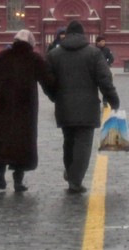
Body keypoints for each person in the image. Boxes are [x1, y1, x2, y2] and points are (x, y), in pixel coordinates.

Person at [43, 20, 118, 194]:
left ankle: (71, 173)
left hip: (64, 106)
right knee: (83, 144)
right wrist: (113, 99)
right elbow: (104, 79)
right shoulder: (93, 53)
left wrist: (54, 96)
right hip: (88, 107)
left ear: (66, 34)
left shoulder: (54, 54)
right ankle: (75, 181)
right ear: (83, 34)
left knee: (68, 141)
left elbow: (46, 80)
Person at [0, 28, 52, 192]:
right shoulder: (34, 58)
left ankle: (0, 170)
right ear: (31, 43)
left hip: (2, 106)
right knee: (22, 143)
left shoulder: (2, 56)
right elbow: (47, 81)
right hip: (25, 109)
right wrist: (57, 95)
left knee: (2, 139)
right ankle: (18, 181)